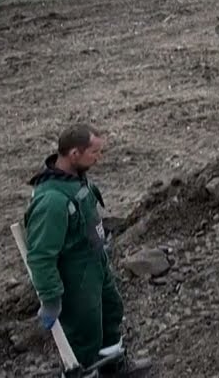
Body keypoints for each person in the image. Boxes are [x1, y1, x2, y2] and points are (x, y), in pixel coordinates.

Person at [23, 123, 152, 376]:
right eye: (94, 153)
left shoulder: (74, 179)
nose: (98, 158)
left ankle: (113, 366)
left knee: (110, 312)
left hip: (95, 264)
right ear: (74, 154)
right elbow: (40, 256)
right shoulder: (51, 201)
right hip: (76, 277)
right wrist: (50, 298)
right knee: (84, 334)